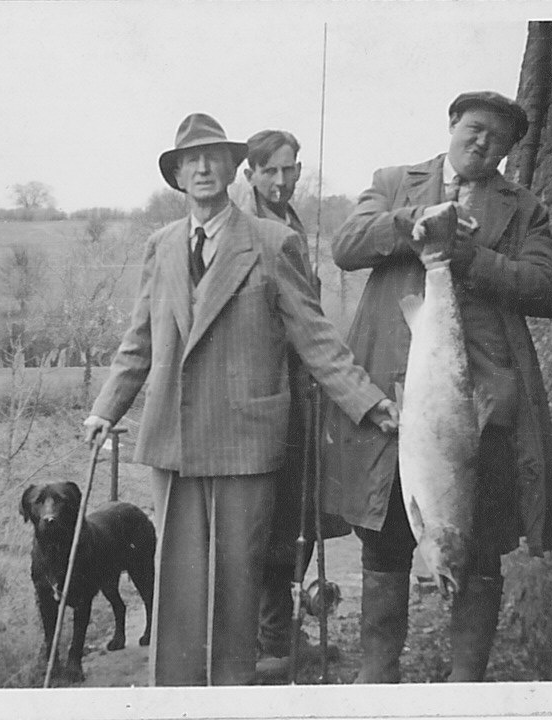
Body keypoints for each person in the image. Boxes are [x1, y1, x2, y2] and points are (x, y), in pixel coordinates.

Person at [82, 113, 398, 687]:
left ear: (233, 169)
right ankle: (176, 692)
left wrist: (370, 403)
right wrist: (106, 408)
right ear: (177, 175)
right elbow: (140, 341)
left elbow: (317, 337)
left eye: (213, 157)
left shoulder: (274, 243)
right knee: (176, 580)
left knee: (236, 581)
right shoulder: (161, 245)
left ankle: (232, 692)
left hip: (246, 441)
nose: (202, 168)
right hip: (172, 440)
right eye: (189, 160)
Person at [322, 91, 552, 683]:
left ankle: (465, 682)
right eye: (474, 129)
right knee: (385, 537)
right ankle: (378, 674)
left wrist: (469, 255)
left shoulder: (524, 209)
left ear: (508, 152)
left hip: (485, 407)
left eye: (498, 140)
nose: (482, 144)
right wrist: (412, 225)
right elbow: (346, 247)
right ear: (452, 126)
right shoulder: (392, 182)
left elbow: (545, 289)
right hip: (396, 398)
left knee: (479, 547)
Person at [240, 129, 347, 676]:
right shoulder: (248, 227)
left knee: (298, 513)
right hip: (263, 393)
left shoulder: (293, 225)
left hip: (302, 391)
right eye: (271, 171)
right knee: (270, 518)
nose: (283, 181)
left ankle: (284, 636)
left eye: (292, 170)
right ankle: (266, 643)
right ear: (250, 173)